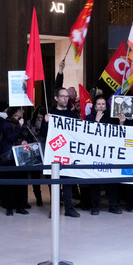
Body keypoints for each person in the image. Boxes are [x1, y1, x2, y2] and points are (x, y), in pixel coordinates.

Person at [46, 88, 81, 217]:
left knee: (67, 182)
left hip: (67, 153)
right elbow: (44, 133)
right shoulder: (50, 113)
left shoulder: (72, 115)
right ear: (56, 98)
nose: (65, 99)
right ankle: (54, 208)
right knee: (54, 182)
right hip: (53, 152)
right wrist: (46, 122)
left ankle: (69, 208)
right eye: (62, 96)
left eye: (67, 96)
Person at [86, 96, 122, 215]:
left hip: (110, 154)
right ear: (95, 106)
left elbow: (119, 134)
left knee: (112, 180)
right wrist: (96, 121)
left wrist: (121, 122)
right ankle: (95, 204)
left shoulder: (112, 118)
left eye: (103, 104)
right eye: (99, 104)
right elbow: (87, 135)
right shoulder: (89, 118)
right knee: (95, 180)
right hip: (95, 154)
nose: (101, 106)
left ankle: (113, 204)